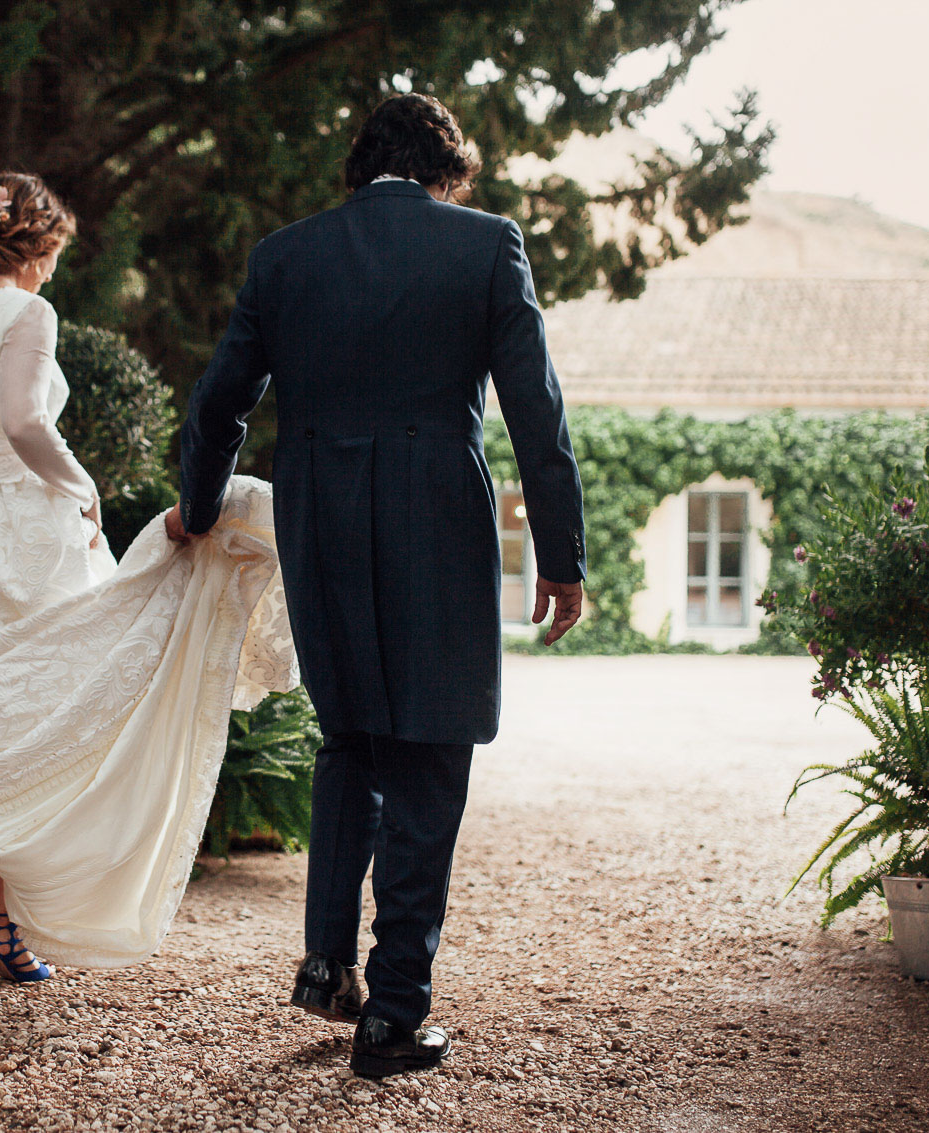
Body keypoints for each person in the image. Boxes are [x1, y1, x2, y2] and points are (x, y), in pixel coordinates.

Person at [172, 93, 586, 1079]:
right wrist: (560, 555)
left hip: (320, 523)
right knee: (429, 755)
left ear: (357, 168)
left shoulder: (285, 255)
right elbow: (535, 407)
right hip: (434, 523)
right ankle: (393, 1015)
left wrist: (195, 503)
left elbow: (220, 396)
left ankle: (324, 963)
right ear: (446, 171)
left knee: (350, 732)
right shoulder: (485, 245)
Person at [0, 172, 297, 989]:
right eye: (56, 253)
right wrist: (82, 490)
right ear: (36, 243)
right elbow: (23, 423)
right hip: (22, 538)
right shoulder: (26, 311)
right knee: (35, 724)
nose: (54, 271)